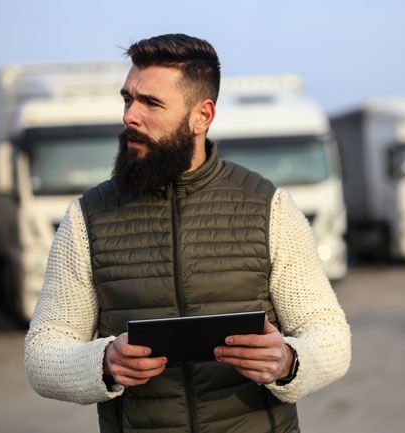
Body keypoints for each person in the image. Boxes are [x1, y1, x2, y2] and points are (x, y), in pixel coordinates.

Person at [25, 33, 351, 433]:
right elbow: (43, 352)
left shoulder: (269, 208)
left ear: (203, 116)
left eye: (151, 103)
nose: (130, 116)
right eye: (128, 99)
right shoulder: (87, 218)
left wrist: (289, 361)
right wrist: (105, 362)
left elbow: (330, 336)